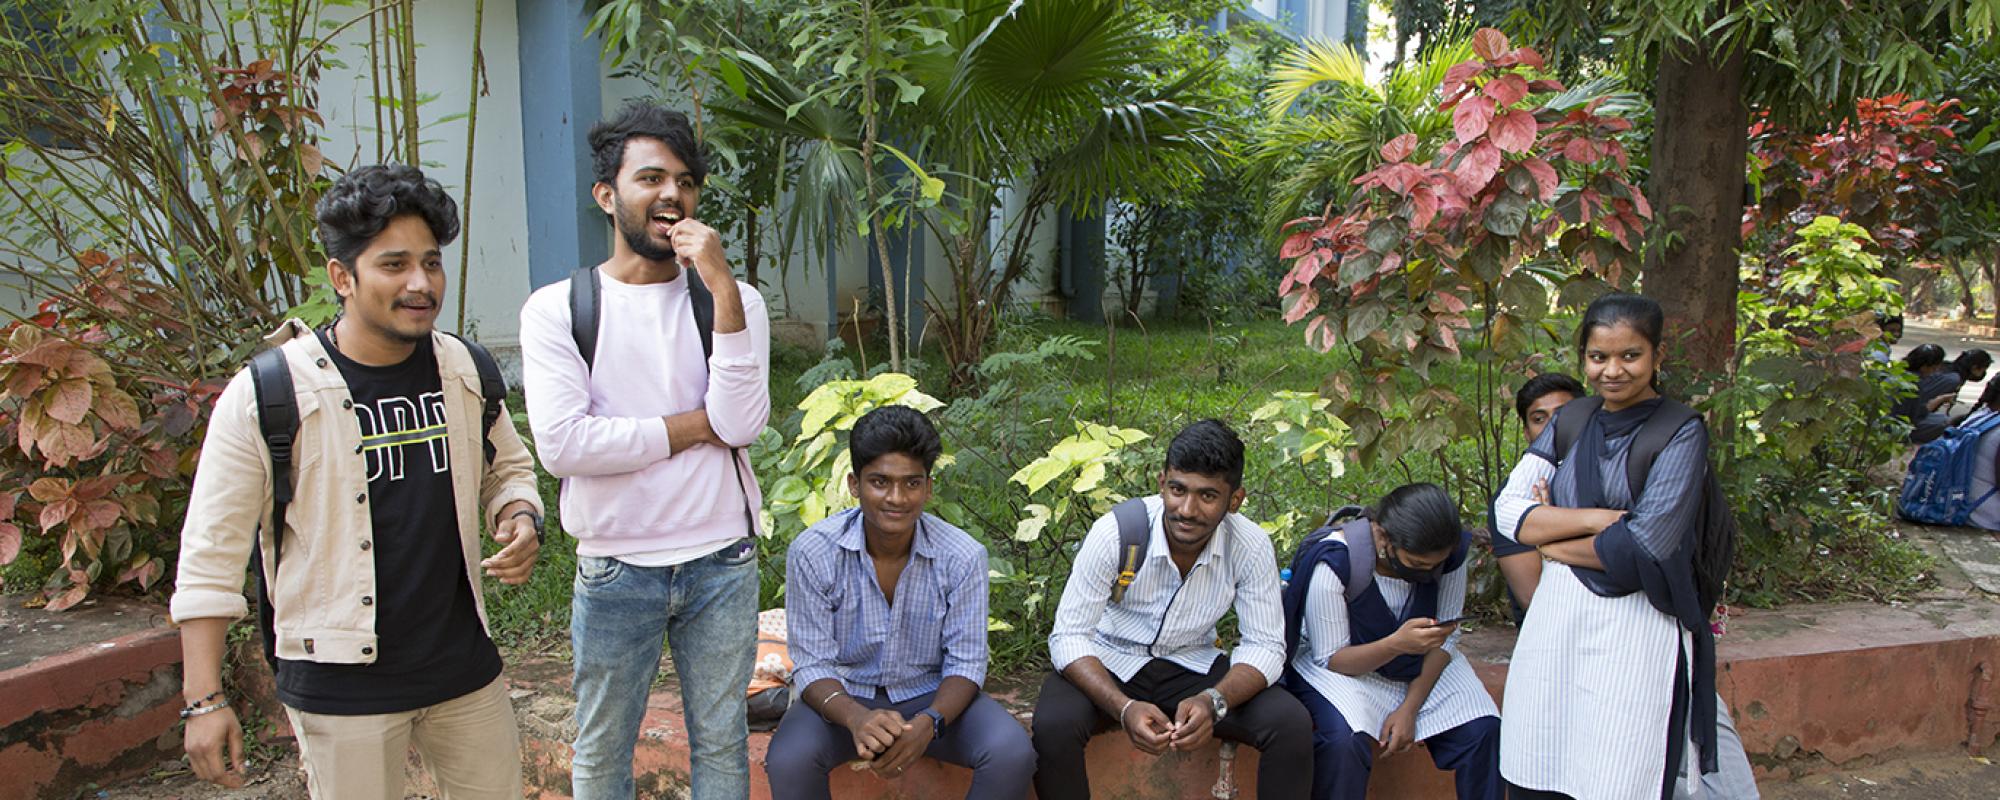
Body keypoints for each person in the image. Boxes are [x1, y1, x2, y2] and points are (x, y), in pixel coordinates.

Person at [171, 165, 545, 798]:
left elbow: (507, 467)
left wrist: (519, 515)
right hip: (341, 684)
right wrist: (204, 701)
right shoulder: (270, 393)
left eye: (431, 262)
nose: (421, 284)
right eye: (394, 265)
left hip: (463, 670)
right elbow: (211, 556)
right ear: (342, 277)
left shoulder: (465, 369)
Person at [518, 101, 771, 800]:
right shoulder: (558, 309)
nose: (672, 196)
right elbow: (566, 445)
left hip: (723, 559)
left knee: (721, 741)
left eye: (686, 182)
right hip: (615, 567)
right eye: (651, 178)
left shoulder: (732, 297)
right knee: (604, 749)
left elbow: (742, 422)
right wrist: (693, 426)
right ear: (608, 195)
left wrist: (721, 287)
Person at [1491, 293, 1727, 799]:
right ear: (1584, 359)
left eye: (1630, 356)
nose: (1612, 371)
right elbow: (1510, 515)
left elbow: (1646, 545)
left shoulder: (1680, 432)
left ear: (1657, 357)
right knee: (1540, 757)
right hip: (1556, 624)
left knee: (1618, 771)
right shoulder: (1571, 420)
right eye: (1598, 357)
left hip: (1636, 631)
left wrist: (1552, 542)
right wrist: (1602, 520)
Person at [1032, 420, 1312, 800]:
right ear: (1162, 482)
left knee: (1289, 723)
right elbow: (1069, 636)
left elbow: (1266, 646)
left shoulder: (1249, 546)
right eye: (1177, 490)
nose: (1187, 509)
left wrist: (1214, 701)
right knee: (1054, 724)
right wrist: (1123, 706)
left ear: (1235, 500)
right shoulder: (1117, 532)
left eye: (1208, 496)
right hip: (1110, 661)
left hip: (1192, 666)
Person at [765, 406, 1035, 798]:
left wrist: (930, 723)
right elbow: (812, 662)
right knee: (790, 760)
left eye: (911, 483)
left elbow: (967, 660)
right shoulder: (814, 551)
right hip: (843, 699)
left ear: (928, 487)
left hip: (931, 697)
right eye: (880, 482)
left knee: (1011, 752)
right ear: (855, 484)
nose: (896, 498)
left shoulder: (961, 556)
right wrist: (857, 718)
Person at [1282, 483, 1501, 800]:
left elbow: (1446, 640)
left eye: (1434, 565)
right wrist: (1397, 645)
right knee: (1343, 741)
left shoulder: (1449, 556)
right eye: (1417, 564)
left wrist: (1409, 709)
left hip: (1422, 664)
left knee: (1483, 730)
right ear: (1383, 537)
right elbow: (1332, 658)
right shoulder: (1336, 561)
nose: (1428, 573)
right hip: (1347, 667)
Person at [1490, 373, 1587, 612]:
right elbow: (1532, 599)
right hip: (1552, 627)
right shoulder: (1513, 499)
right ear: (1526, 433)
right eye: (1539, 418)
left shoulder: (1613, 476)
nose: (1553, 426)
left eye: (1563, 414)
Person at [1912, 349, 1993, 443]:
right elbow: (1921, 404)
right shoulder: (1953, 379)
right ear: (1974, 368)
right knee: (1945, 423)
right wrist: (1940, 400)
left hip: (1918, 413)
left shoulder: (1951, 370)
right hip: (1912, 415)